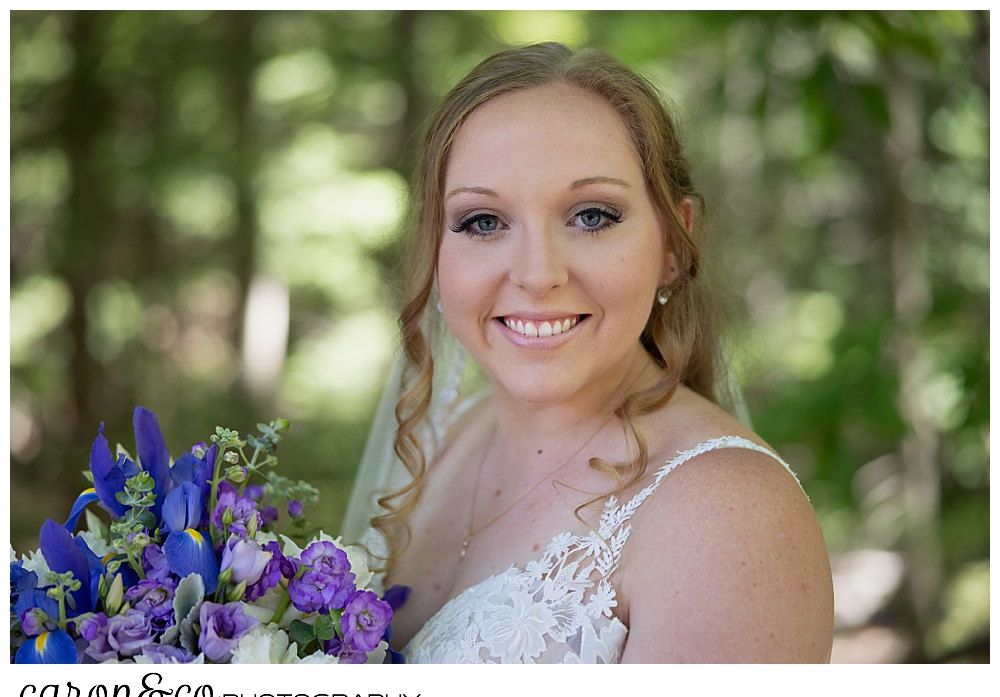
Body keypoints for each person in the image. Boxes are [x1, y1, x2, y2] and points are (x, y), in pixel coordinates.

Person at [343, 42, 834, 663]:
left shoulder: (730, 517)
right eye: (483, 222)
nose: (537, 274)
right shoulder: (441, 442)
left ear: (675, 245)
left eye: (592, 216)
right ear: (435, 249)